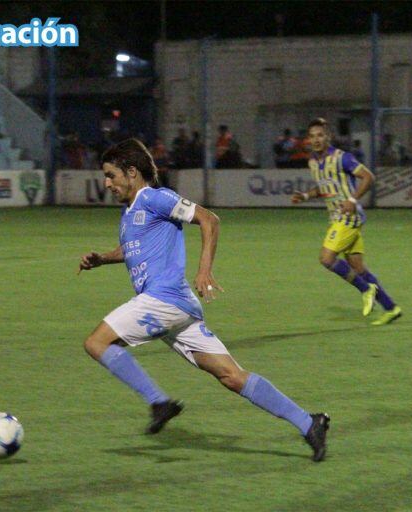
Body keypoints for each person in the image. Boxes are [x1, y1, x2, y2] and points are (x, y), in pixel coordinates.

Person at [78, 139, 330, 462]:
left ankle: (158, 402)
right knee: (231, 376)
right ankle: (310, 423)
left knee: (96, 343)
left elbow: (209, 219)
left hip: (163, 300)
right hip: (176, 309)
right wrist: (102, 259)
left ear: (131, 172)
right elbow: (132, 251)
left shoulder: (155, 197)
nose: (107, 184)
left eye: (111, 175)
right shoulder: (129, 213)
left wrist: (204, 270)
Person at [291, 118, 402, 326]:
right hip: (336, 218)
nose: (316, 140)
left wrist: (352, 199)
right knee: (359, 269)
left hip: (348, 218)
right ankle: (391, 308)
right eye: (312, 136)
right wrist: (305, 196)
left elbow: (368, 177)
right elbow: (324, 188)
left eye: (320, 135)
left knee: (326, 258)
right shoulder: (313, 161)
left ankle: (365, 289)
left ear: (328, 137)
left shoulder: (342, 158)